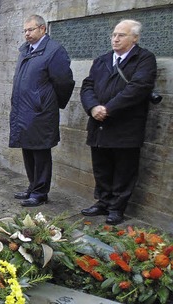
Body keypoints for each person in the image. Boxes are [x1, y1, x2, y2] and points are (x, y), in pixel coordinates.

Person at [79, 20, 157, 225]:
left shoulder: (144, 59)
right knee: (102, 167)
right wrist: (93, 107)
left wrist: (108, 109)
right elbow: (87, 86)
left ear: (135, 38)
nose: (115, 38)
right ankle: (103, 202)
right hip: (99, 125)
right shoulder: (103, 60)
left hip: (125, 127)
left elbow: (138, 88)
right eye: (114, 34)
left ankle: (116, 208)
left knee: (124, 169)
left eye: (121, 35)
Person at [9, 15, 75, 207]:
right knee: (28, 149)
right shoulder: (25, 51)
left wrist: (49, 103)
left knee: (40, 152)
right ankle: (32, 187)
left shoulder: (54, 51)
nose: (27, 34)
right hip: (23, 110)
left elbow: (64, 82)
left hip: (41, 112)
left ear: (42, 29)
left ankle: (40, 193)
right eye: (25, 30)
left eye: (31, 30)